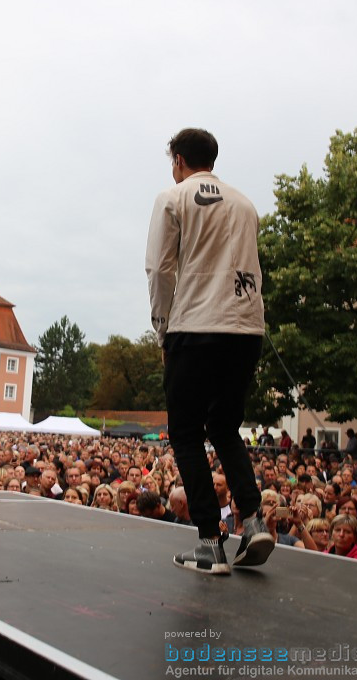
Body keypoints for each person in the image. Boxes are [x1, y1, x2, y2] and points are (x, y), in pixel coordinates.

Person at [145, 127, 271, 575]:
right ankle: (254, 520)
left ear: (178, 160)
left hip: (196, 326)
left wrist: (162, 330)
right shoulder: (246, 204)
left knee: (184, 431)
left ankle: (209, 542)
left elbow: (159, 269)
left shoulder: (172, 198)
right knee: (224, 426)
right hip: (246, 328)